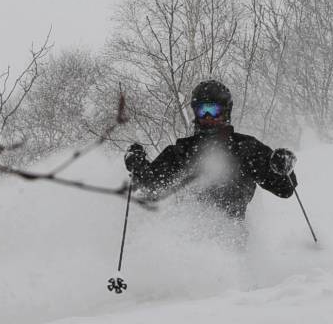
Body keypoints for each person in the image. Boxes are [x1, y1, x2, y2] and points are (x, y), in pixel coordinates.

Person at [124, 79, 298, 221]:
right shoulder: (182, 150)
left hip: (234, 237)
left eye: (213, 110)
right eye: (202, 111)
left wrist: (282, 167)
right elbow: (152, 186)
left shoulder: (247, 148)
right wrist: (138, 165)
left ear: (226, 112)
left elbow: (284, 189)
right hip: (187, 237)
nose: (207, 117)